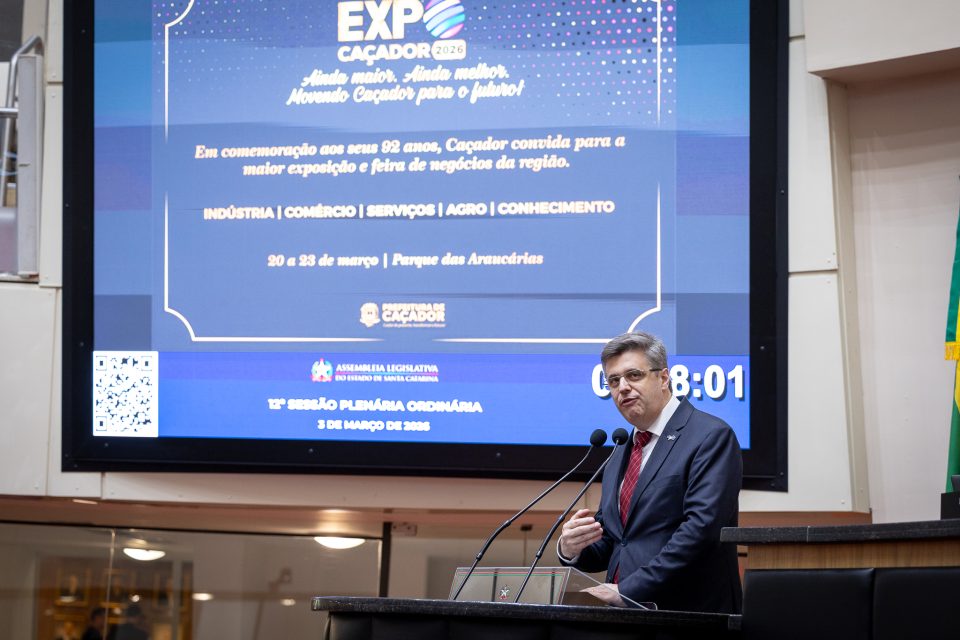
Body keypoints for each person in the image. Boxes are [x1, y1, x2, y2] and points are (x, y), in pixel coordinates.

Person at [558, 331, 743, 613]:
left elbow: (701, 530)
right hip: (623, 620)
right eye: (613, 381)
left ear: (664, 378)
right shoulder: (621, 450)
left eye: (634, 375)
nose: (623, 388)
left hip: (687, 617)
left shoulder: (710, 436)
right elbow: (616, 543)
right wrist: (573, 548)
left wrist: (629, 590)